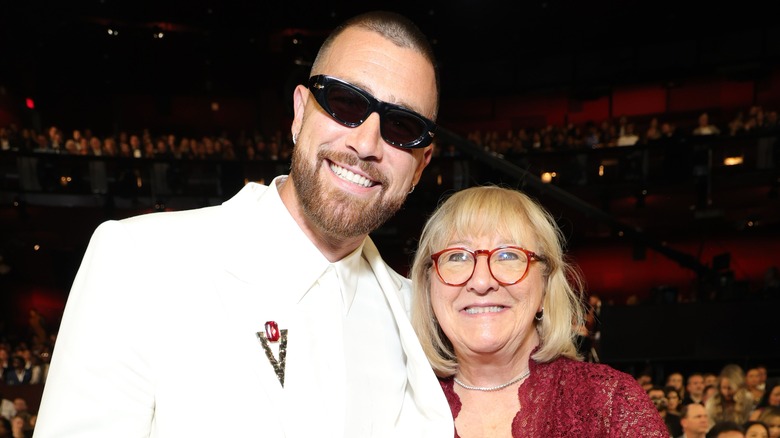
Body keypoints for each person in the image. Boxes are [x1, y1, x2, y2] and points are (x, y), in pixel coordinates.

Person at [33, 10, 453, 438]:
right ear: (299, 113)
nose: (365, 144)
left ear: (421, 167)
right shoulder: (141, 262)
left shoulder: (415, 312)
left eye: (402, 127)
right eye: (346, 103)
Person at [409, 185, 668, 437]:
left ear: (545, 287)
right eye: (457, 256)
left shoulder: (610, 402)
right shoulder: (395, 405)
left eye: (508, 255)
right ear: (428, 286)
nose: (481, 281)